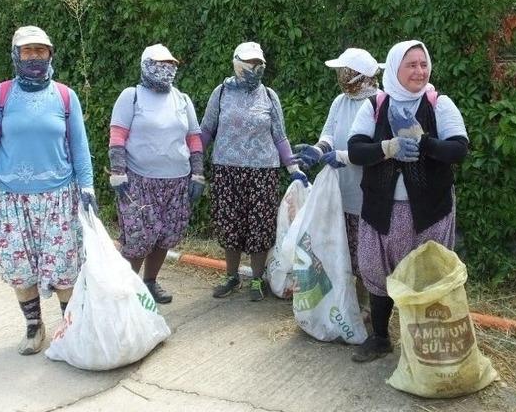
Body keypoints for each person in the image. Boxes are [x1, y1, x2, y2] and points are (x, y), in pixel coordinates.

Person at [0, 25, 96, 355]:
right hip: (10, 199)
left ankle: (70, 330)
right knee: (19, 268)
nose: (35, 56)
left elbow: (79, 146)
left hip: (59, 197)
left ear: (50, 54)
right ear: (16, 55)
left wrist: (87, 186)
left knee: (65, 267)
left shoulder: (65, 96)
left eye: (41, 50)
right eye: (27, 51)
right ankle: (34, 326)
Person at [347, 40, 469, 362]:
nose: (419, 71)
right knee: (376, 270)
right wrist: (387, 148)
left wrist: (424, 142)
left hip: (428, 212)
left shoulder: (438, 104)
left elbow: (459, 150)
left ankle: (425, 346)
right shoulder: (375, 104)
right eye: (411, 65)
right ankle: (380, 338)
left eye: (423, 64)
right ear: (394, 68)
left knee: (427, 275)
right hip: (381, 210)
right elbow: (356, 150)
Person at [200, 41, 307, 301]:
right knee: (229, 224)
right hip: (227, 170)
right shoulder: (221, 93)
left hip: (263, 172)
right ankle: (231, 276)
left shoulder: (268, 96)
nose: (255, 67)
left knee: (260, 226)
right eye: (250, 63)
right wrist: (191, 162)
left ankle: (257, 279)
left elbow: (279, 136)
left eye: (259, 63)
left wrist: (293, 167)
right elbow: (206, 130)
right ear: (237, 63)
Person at [108, 44, 204, 304]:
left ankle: (149, 283)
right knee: (139, 239)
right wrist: (117, 171)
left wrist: (197, 174)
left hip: (177, 182)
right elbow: (117, 136)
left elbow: (194, 138)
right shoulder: (131, 96)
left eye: (170, 64)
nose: (166, 69)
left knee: (166, 236)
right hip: (139, 182)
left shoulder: (182, 100)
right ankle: (125, 292)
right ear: (146, 66)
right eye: (159, 64)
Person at [291, 48, 382, 316]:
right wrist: (318, 150)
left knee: (366, 257)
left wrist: (344, 156)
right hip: (341, 192)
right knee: (342, 252)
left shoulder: (381, 104)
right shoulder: (340, 102)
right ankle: (346, 304)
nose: (341, 77)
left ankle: (368, 308)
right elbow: (329, 134)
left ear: (361, 76)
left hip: (368, 194)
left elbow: (378, 148)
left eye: (346, 72)